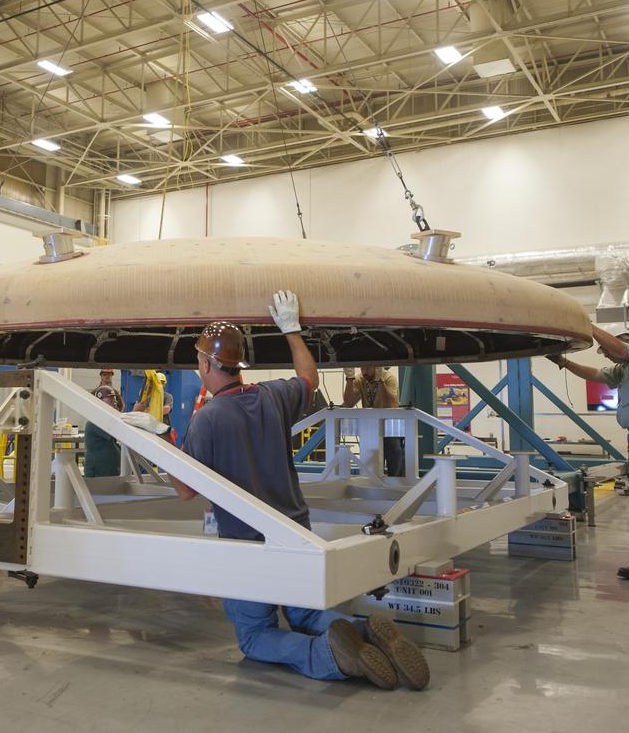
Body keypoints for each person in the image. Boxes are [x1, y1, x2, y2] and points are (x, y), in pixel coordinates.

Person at [171, 291, 430, 690]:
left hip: (248, 546)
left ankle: (330, 657)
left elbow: (185, 490)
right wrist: (292, 330)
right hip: (297, 532)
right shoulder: (273, 396)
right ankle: (364, 632)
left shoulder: (207, 420)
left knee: (255, 637)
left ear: (205, 363)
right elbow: (308, 378)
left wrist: (157, 443)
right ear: (240, 364)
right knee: (306, 613)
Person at [549, 323, 629, 581]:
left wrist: (587, 326)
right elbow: (595, 374)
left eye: (605, 349)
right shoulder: (625, 371)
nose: (606, 355)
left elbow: (618, 350)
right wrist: (562, 362)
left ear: (619, 340)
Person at [342, 366, 404, 476]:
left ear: (377, 368)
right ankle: (373, 480)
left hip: (390, 426)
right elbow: (349, 402)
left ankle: (395, 480)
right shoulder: (360, 379)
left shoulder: (389, 378)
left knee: (394, 450)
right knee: (371, 456)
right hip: (371, 427)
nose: (364, 372)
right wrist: (349, 380)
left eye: (368, 369)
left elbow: (390, 404)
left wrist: (380, 382)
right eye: (362, 369)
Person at [84, 369, 123, 477]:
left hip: (110, 468)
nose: (114, 403)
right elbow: (120, 432)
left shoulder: (113, 392)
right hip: (100, 470)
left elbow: (120, 408)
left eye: (109, 374)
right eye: (110, 400)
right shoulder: (96, 422)